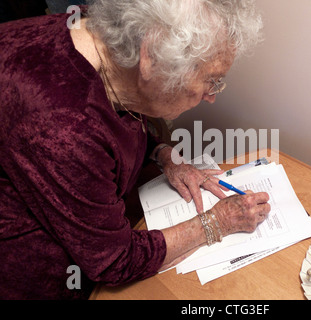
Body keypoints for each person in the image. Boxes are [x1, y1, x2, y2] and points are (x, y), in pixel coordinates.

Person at [0, 0, 270, 299]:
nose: (211, 96)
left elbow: (121, 114)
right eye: (211, 79)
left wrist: (164, 155)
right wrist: (218, 222)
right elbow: (114, 261)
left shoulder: (97, 40)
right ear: (152, 59)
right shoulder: (63, 124)